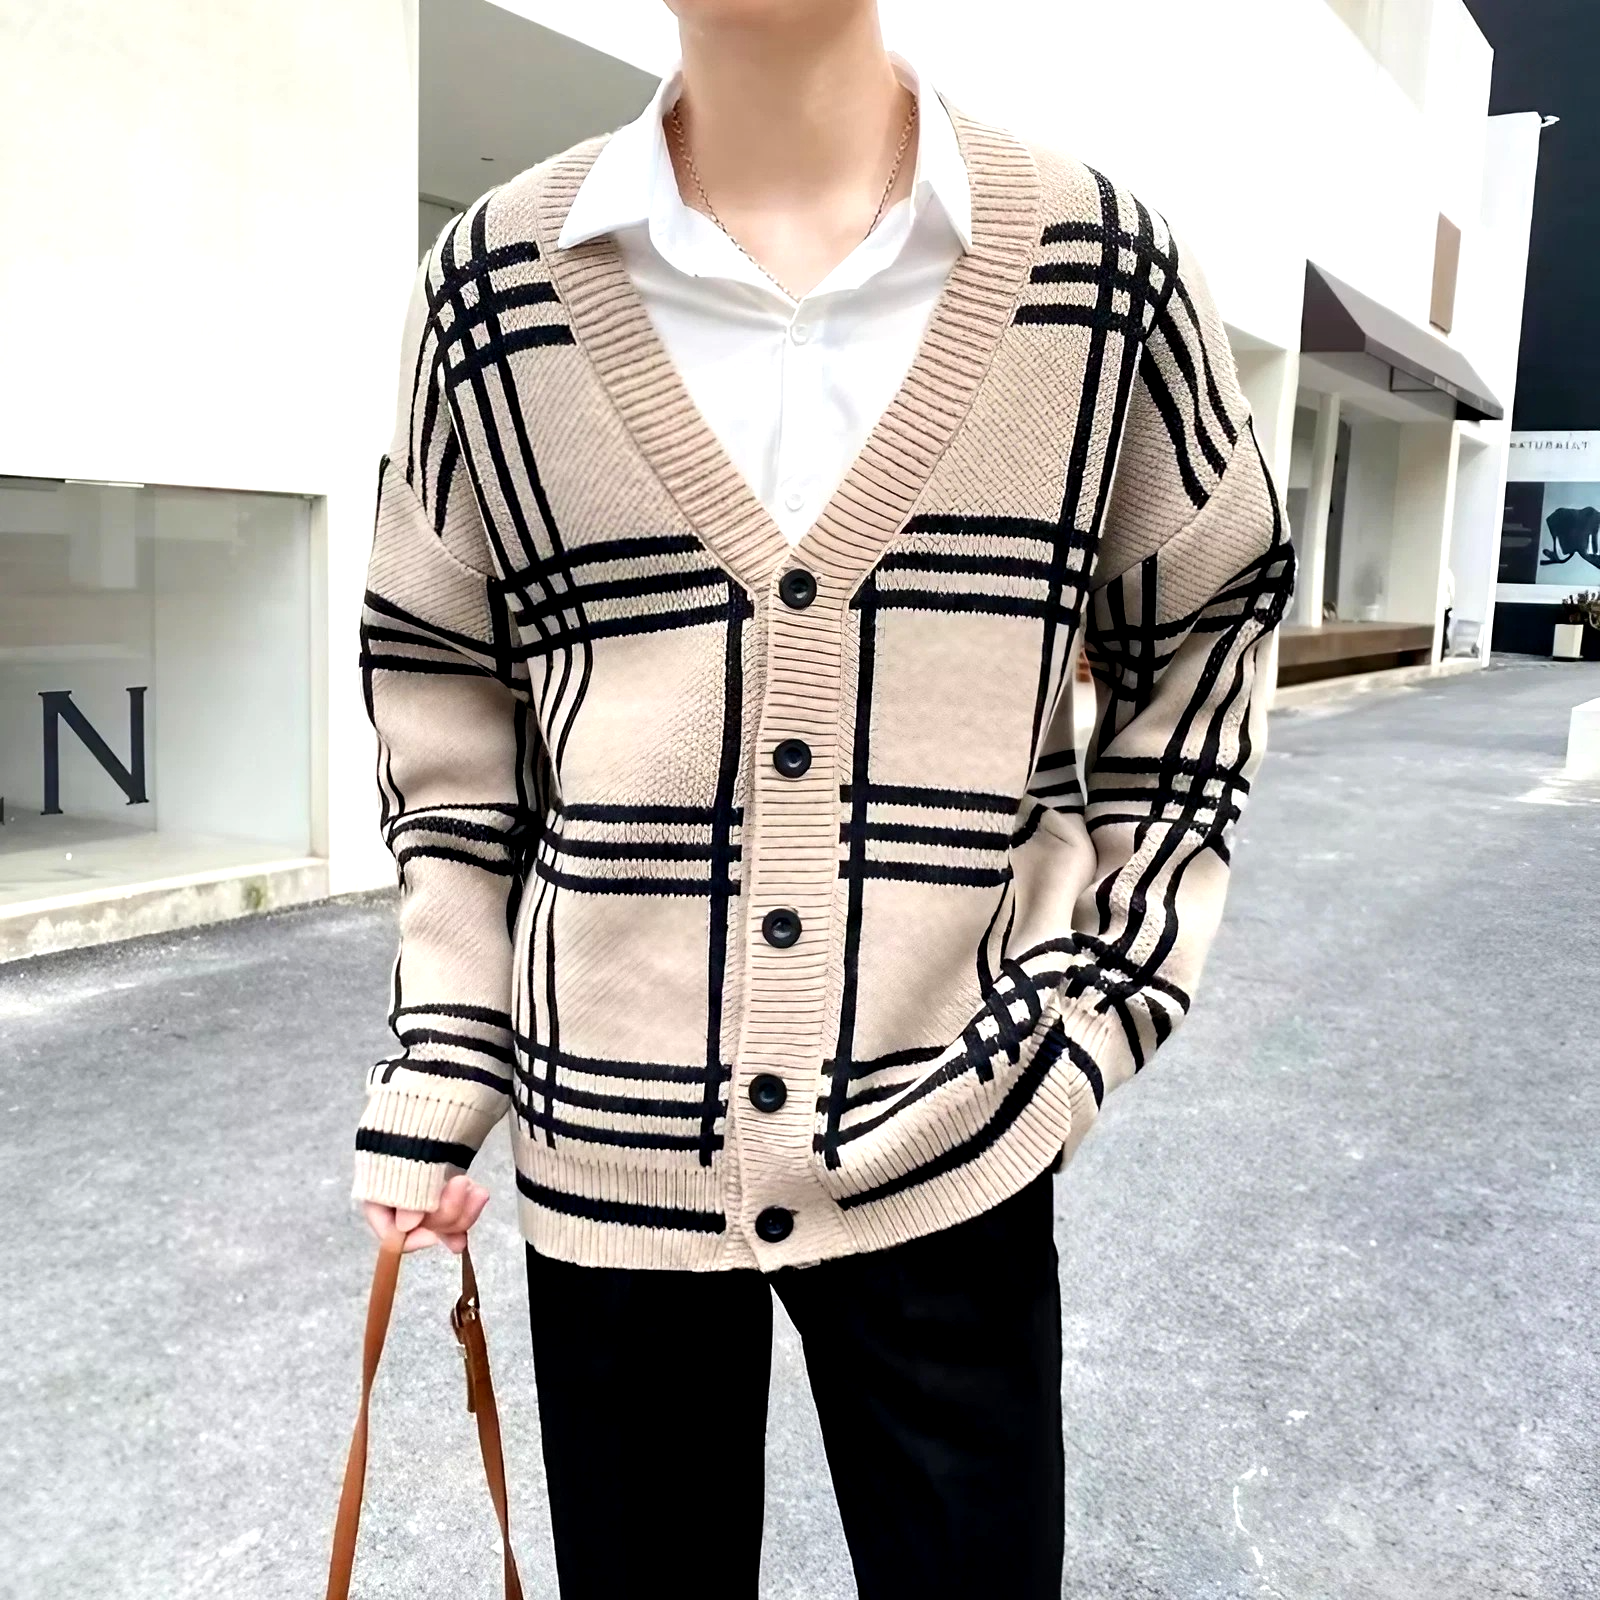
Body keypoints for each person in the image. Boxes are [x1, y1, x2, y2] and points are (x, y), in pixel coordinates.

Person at [350, 1, 1296, 1594]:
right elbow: (441, 683)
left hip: (959, 1116)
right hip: (611, 1152)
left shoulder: (1101, 274)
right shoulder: (493, 289)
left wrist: (1100, 1001)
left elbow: (1209, 618)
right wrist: (448, 1052)